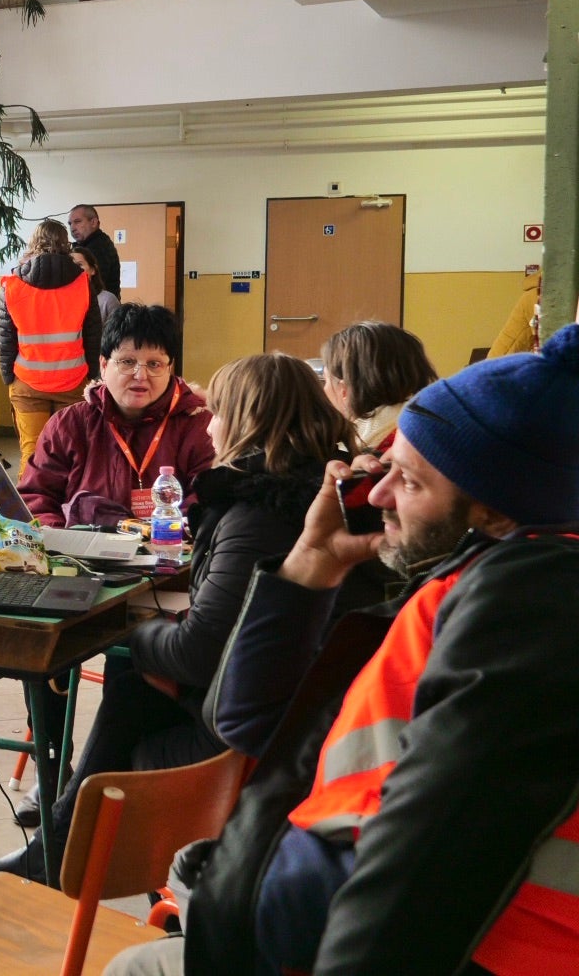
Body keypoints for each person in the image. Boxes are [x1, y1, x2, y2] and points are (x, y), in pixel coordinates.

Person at [105, 323, 579, 976]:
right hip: (308, 910)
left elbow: (423, 866)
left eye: (409, 482)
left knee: (135, 969)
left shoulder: (530, 605)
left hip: (464, 953)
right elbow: (246, 722)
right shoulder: (462, 588)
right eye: (386, 468)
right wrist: (309, 569)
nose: (378, 494)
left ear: (499, 517)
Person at [0, 352, 356, 884]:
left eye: (217, 412)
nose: (209, 424)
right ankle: (55, 848)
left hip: (245, 743)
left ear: (247, 421)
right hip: (297, 716)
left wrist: (129, 633)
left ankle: (58, 852)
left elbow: (201, 654)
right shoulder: (314, 494)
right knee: (135, 683)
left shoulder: (256, 516)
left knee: (131, 679)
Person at [20, 303, 215, 529]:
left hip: (169, 554)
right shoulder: (69, 425)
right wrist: (62, 543)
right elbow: (36, 497)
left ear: (169, 368)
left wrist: (164, 537)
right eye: (127, 362)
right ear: (103, 365)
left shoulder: (199, 426)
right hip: (82, 558)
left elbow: (208, 503)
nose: (141, 375)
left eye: (154, 364)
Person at [0, 219, 102, 468]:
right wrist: (92, 376)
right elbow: (93, 336)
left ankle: (33, 507)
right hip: (72, 382)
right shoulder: (83, 284)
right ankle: (67, 506)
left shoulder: (11, 285)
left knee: (32, 456)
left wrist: (7, 377)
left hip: (27, 383)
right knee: (70, 457)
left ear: (33, 244)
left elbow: (6, 338)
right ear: (65, 244)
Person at [319, 321, 437, 456]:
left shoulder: (363, 458)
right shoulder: (434, 426)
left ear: (344, 390)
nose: (324, 391)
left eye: (326, 381)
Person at [68, 202, 121, 298]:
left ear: (93, 222)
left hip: (100, 308)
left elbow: (92, 285)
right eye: (70, 223)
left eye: (77, 221)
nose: (72, 228)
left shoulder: (99, 246)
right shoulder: (86, 245)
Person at [73, 245, 120, 324]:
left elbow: (116, 333)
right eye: (71, 265)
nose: (74, 269)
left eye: (79, 265)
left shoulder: (107, 300)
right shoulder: (62, 299)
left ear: (93, 270)